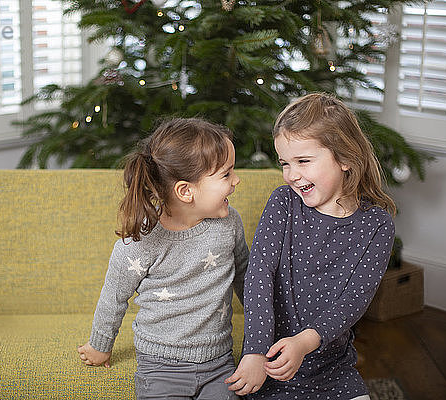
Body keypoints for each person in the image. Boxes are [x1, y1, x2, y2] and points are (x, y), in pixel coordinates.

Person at [225, 93, 396, 399]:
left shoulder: (377, 226)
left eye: (303, 161)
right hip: (268, 363)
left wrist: (305, 342)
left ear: (345, 158)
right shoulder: (283, 203)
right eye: (285, 163)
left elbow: (353, 300)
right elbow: (259, 278)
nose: (292, 174)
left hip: (332, 371)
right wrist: (254, 351)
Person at [78, 117, 249, 400]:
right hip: (160, 369)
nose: (236, 180)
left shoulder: (229, 224)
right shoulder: (138, 244)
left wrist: (268, 332)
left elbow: (246, 277)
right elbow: (113, 297)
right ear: (186, 191)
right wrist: (100, 345)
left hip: (219, 364)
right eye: (226, 175)